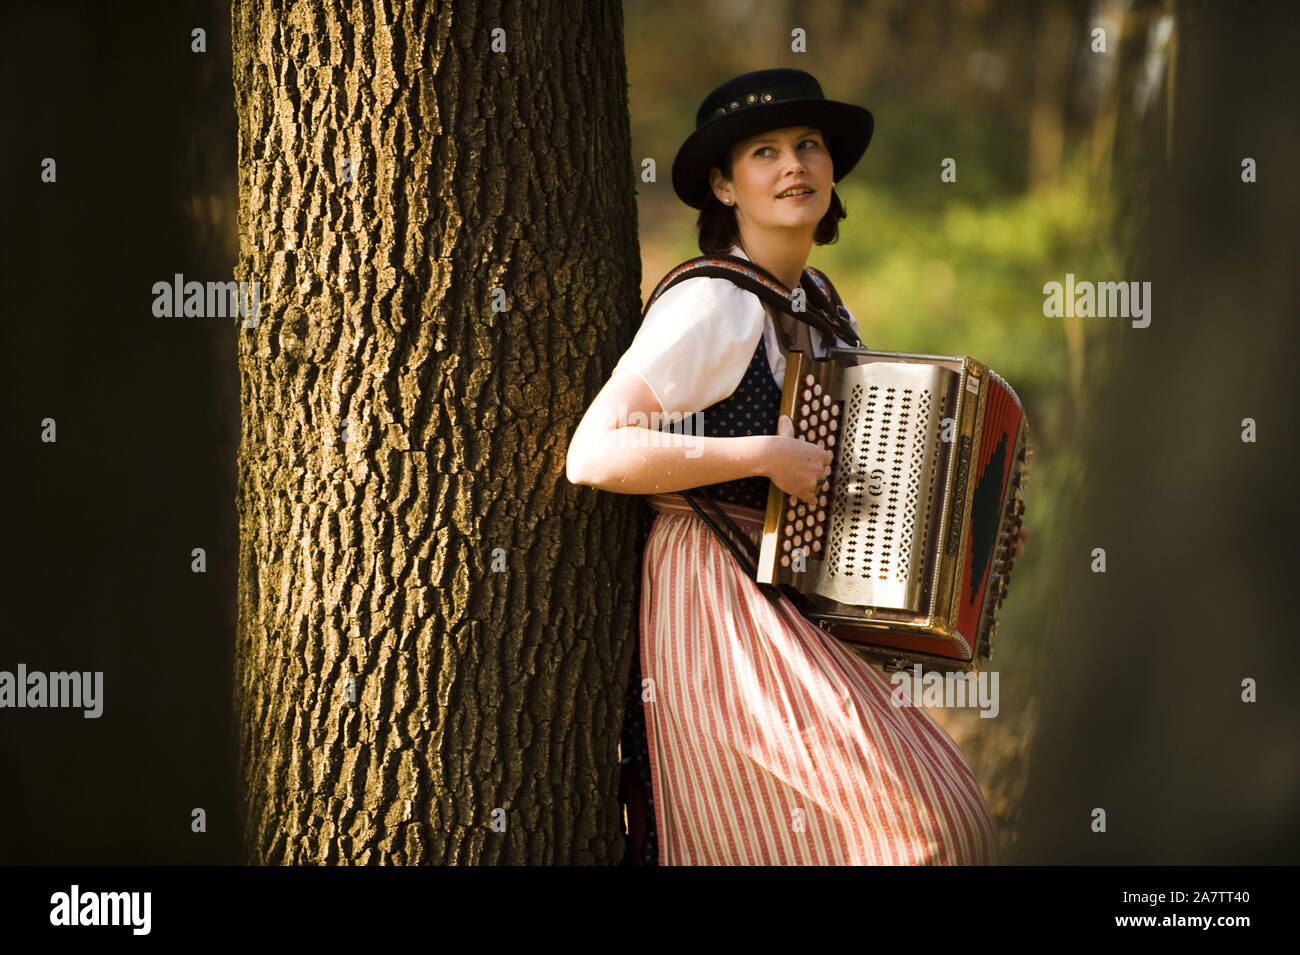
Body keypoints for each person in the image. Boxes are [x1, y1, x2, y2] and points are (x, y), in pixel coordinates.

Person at [567, 68, 1020, 865]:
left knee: (951, 819)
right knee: (918, 836)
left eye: (808, 145)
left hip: (798, 596)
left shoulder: (819, 300)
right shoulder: (712, 304)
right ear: (723, 184)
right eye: (765, 152)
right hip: (716, 595)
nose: (793, 166)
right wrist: (761, 455)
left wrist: (968, 545)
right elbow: (593, 451)